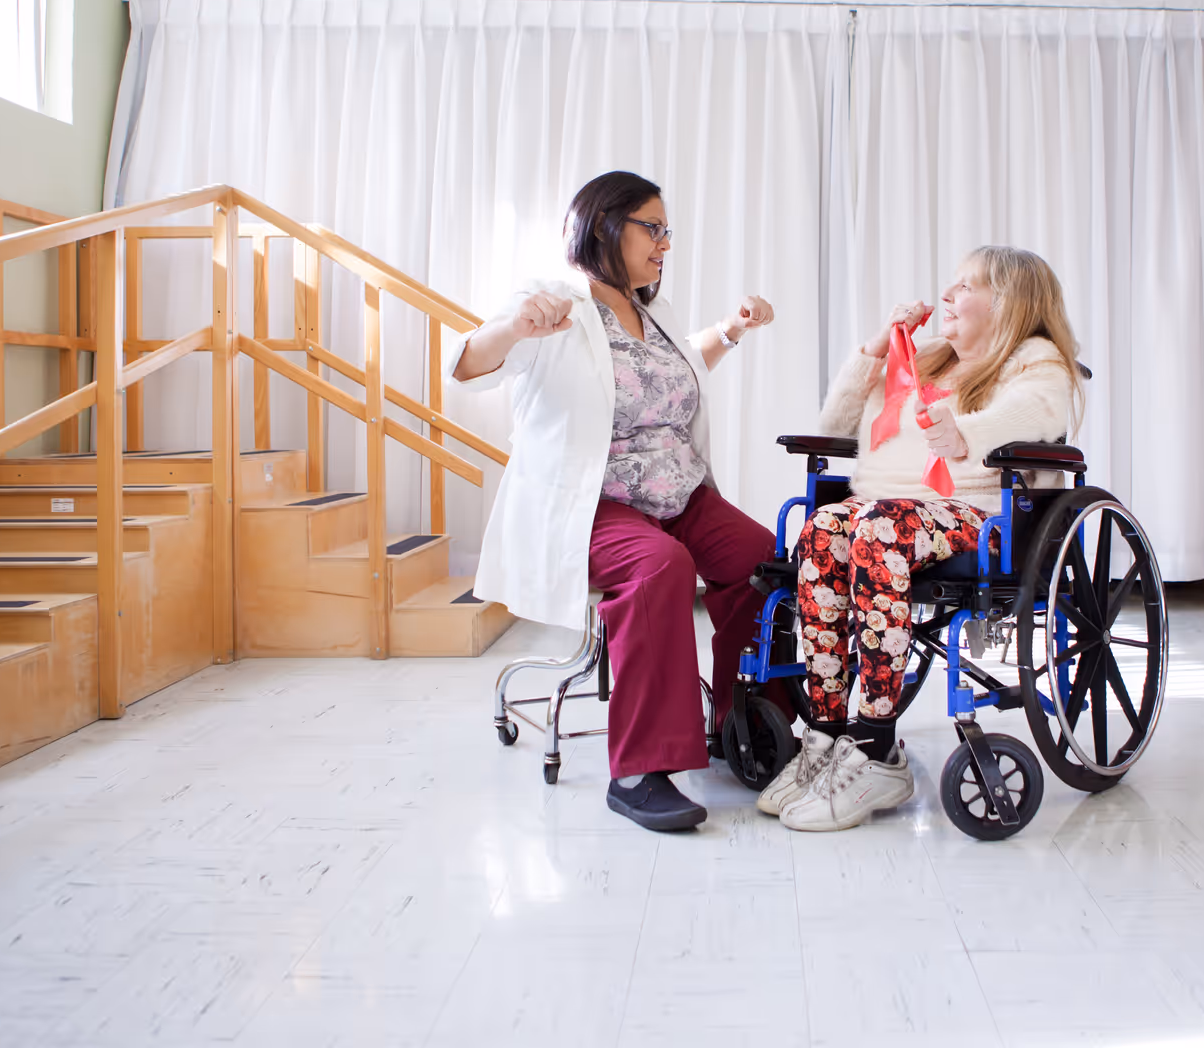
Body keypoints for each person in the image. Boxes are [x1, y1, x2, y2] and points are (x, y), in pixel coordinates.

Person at [446, 171, 776, 833]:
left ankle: (745, 723)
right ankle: (639, 773)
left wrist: (732, 331)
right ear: (605, 225)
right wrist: (513, 328)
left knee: (762, 559)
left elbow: (680, 366)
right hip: (593, 504)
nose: (665, 243)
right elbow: (468, 365)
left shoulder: (653, 312)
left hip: (676, 493)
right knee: (660, 567)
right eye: (652, 228)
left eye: (667, 230)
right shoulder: (555, 303)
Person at [760, 247, 1082, 833]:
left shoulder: (1033, 361)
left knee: (872, 527)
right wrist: (881, 349)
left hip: (971, 513)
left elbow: (1035, 414)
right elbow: (833, 427)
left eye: (966, 285)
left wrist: (965, 432)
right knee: (824, 528)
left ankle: (877, 744)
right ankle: (829, 735)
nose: (949, 295)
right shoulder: (925, 360)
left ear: (1007, 302)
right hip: (877, 512)